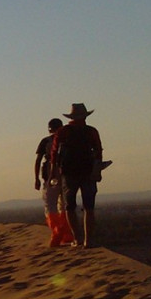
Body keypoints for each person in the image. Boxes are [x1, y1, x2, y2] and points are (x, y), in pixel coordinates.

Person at [51, 102, 104, 248]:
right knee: (89, 207)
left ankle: (77, 239)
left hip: (68, 173)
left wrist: (52, 174)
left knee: (70, 207)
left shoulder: (63, 131)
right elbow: (98, 151)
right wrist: (97, 171)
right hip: (87, 171)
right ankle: (88, 240)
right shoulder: (91, 131)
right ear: (85, 116)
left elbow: (54, 154)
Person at [34, 118, 75, 247]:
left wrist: (36, 178)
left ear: (49, 128)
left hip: (50, 176)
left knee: (50, 205)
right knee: (64, 205)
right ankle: (66, 234)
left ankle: (57, 233)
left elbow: (38, 160)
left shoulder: (46, 141)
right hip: (66, 175)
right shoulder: (68, 140)